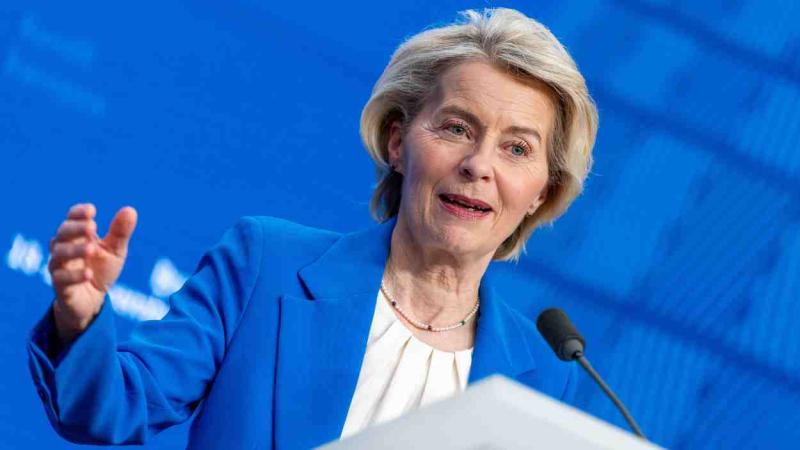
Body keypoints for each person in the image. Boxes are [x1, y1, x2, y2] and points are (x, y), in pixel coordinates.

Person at [28, 8, 598, 450]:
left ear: (541, 193)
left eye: (517, 149)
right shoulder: (265, 265)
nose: (479, 165)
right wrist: (79, 320)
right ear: (398, 142)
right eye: (456, 128)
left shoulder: (545, 375)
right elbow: (112, 407)